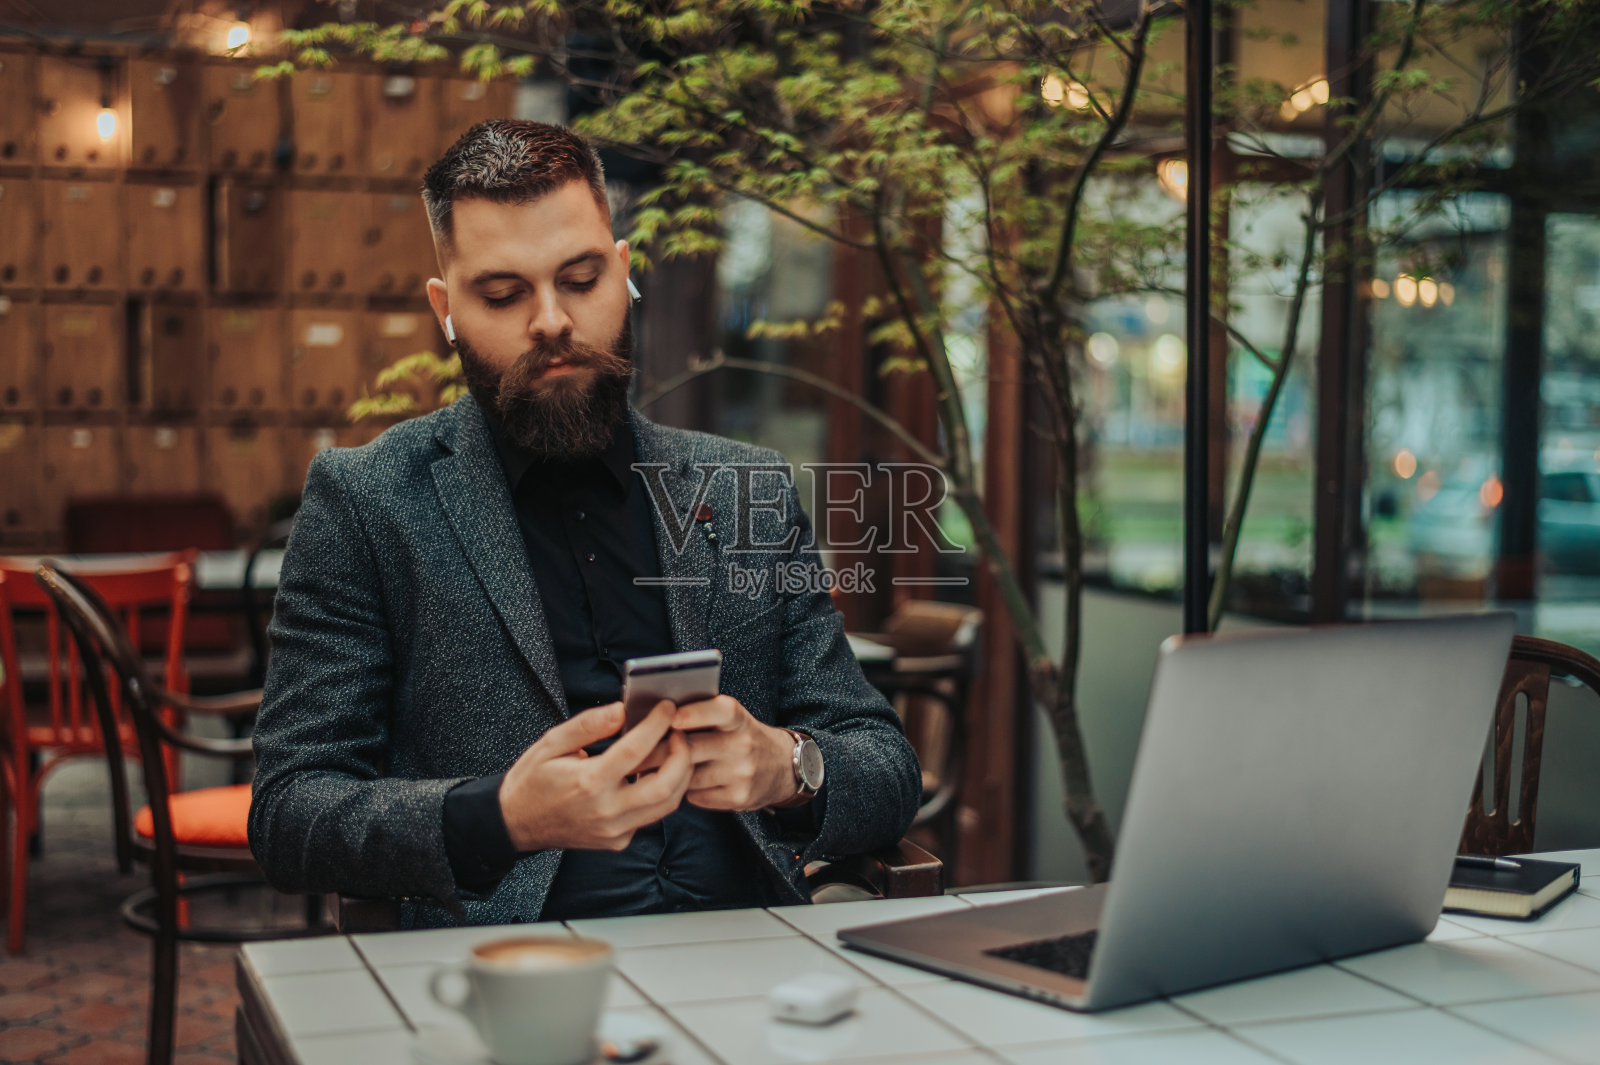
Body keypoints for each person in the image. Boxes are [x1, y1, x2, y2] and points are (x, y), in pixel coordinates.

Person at [247, 120, 921, 927]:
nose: (551, 321)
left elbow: (885, 763)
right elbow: (289, 812)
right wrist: (501, 817)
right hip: (512, 975)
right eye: (502, 294)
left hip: (751, 950)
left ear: (624, 273)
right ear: (446, 309)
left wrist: (788, 766)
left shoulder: (746, 488)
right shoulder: (367, 501)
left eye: (580, 278)